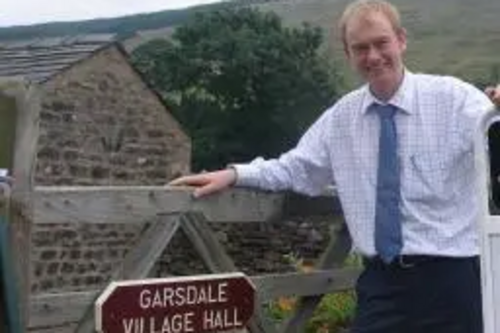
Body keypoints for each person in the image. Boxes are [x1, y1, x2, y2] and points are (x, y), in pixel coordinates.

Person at [170, 0, 500, 332]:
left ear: (401, 40)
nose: (372, 56)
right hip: (383, 284)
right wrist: (235, 174)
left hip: (454, 279)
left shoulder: (456, 100)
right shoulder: (341, 118)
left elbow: (495, 141)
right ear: (348, 53)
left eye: (381, 43)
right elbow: (295, 168)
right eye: (360, 48)